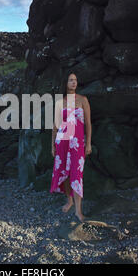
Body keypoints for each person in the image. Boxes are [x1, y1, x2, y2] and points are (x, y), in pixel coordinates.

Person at [50, 73, 92, 223]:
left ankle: (78, 211)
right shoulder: (60, 102)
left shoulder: (83, 100)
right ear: (65, 83)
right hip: (62, 141)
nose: (74, 82)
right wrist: (52, 145)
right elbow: (55, 127)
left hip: (77, 144)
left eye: (75, 79)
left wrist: (88, 143)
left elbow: (88, 124)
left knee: (76, 174)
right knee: (65, 173)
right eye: (70, 80)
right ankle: (69, 201)